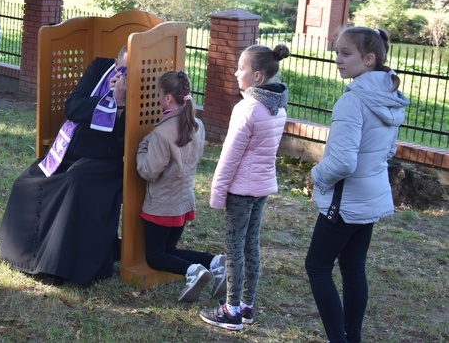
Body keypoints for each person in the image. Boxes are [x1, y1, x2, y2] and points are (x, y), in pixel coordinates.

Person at [305, 28, 408, 343]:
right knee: (352, 267)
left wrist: (316, 175)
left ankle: (339, 339)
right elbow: (388, 151)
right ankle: (352, 338)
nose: (338, 60)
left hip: (346, 201)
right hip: (368, 198)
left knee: (317, 266)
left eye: (345, 53)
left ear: (368, 59)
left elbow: (343, 163)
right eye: (337, 52)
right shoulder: (388, 96)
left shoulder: (353, 101)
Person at [0, 46, 128, 285]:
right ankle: (22, 255)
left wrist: (119, 105)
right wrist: (103, 99)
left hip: (104, 159)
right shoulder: (100, 67)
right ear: (115, 61)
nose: (123, 75)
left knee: (72, 184)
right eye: (122, 68)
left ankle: (55, 265)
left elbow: (125, 140)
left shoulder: (141, 92)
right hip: (70, 148)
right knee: (26, 182)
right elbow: (73, 107)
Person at [200, 44, 290, 331]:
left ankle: (232, 310)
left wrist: (217, 193)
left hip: (241, 191)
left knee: (235, 248)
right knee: (252, 245)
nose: (236, 72)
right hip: (262, 188)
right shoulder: (278, 108)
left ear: (258, 77)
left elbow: (230, 155)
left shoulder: (247, 108)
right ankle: (248, 307)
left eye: (241, 68)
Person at [136, 70, 226, 302]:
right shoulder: (197, 125)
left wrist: (142, 148)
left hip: (162, 205)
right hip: (184, 202)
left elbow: (148, 171)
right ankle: (214, 262)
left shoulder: (162, 132)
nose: (156, 97)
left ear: (167, 99)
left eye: (158, 93)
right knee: (169, 250)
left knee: (155, 256)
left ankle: (193, 271)